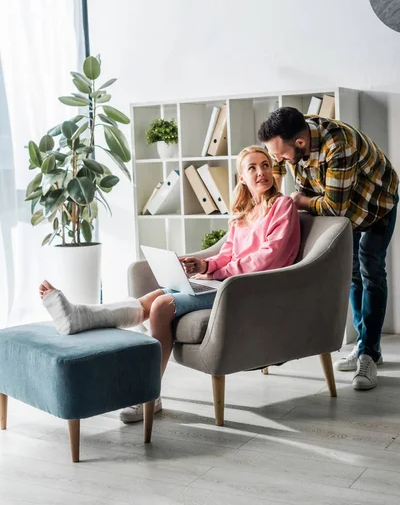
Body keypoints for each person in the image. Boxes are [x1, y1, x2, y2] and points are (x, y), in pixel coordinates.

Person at [39, 145, 301, 422]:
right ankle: (79, 316)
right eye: (252, 168)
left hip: (248, 289)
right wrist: (206, 266)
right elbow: (227, 253)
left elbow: (268, 258)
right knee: (152, 298)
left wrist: (217, 274)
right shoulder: (243, 214)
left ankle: (147, 394)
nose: (261, 172)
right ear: (241, 178)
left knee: (163, 305)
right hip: (226, 284)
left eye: (264, 165)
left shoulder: (282, 206)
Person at [258, 107, 399, 391]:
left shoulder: (339, 145)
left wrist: (299, 200)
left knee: (371, 270)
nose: (278, 161)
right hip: (345, 208)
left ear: (299, 143)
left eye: (281, 155)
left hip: (375, 205)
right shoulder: (294, 139)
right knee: (353, 274)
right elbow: (301, 182)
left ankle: (369, 355)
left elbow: (335, 207)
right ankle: (364, 345)